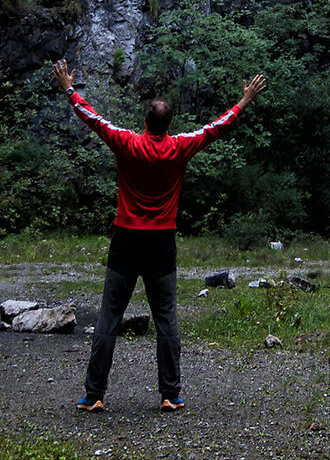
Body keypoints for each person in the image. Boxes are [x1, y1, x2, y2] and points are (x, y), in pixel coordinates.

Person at [53, 59, 265, 412]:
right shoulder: (179, 147)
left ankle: (94, 395)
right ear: (168, 125)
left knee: (109, 316)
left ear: (145, 122)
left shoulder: (126, 143)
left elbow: (91, 117)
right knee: (166, 317)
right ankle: (170, 393)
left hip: (126, 239)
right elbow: (215, 128)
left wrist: (68, 88)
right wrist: (244, 101)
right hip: (161, 241)